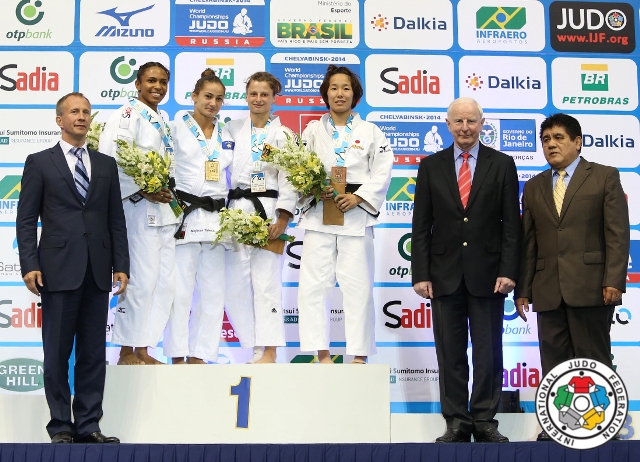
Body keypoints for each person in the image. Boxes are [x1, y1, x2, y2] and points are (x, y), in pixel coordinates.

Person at [16, 92, 129, 444]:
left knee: (94, 354)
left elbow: (116, 220)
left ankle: (89, 425)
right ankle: (60, 426)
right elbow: (25, 220)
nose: (80, 116)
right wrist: (29, 264)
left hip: (98, 271)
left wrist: (121, 265)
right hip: (57, 269)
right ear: (59, 119)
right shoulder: (39, 162)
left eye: (85, 112)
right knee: (57, 354)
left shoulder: (106, 164)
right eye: (73, 112)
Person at [411, 97, 521, 443]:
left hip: (489, 274)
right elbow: (421, 225)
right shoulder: (430, 166)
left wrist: (509, 270)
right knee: (450, 352)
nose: (465, 128)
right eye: (458, 122)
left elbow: (510, 225)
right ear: (448, 125)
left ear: (482, 123)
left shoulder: (502, 164)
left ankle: (485, 420)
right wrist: (421, 273)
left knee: (489, 351)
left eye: (471, 121)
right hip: (442, 275)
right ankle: (457, 421)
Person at [514, 113, 630, 441]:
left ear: (578, 142)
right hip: (547, 288)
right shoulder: (535, 185)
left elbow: (617, 234)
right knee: (554, 363)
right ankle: (558, 427)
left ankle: (600, 426)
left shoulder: (605, 177)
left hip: (592, 287)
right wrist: (523, 289)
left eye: (559, 138)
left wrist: (613, 280)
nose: (551, 144)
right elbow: (529, 243)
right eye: (546, 139)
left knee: (593, 359)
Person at [297, 65, 393, 365]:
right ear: (326, 93)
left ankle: (359, 356)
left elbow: (383, 170)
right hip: (319, 215)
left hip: (355, 216)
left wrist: (359, 196)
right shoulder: (312, 130)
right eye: (334, 88)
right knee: (313, 286)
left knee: (358, 287)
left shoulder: (371, 131)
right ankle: (321, 353)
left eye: (346, 88)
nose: (340, 93)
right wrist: (314, 190)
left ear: (355, 94)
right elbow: (298, 170)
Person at [99, 62, 179, 365]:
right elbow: (110, 161)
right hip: (135, 209)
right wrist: (142, 190)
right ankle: (126, 351)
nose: (157, 87)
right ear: (138, 83)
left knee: (164, 283)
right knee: (141, 281)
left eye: (162, 82)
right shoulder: (125, 115)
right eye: (151, 81)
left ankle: (144, 347)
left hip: (162, 210)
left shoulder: (162, 118)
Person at [163, 69, 235, 364]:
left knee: (214, 293)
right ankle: (178, 354)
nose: (213, 103)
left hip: (217, 218)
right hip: (186, 214)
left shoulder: (226, 133)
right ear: (194, 96)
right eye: (207, 96)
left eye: (219, 98)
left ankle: (201, 355)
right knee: (180, 291)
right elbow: (164, 171)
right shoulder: (173, 128)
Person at [224, 72, 297, 364]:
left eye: (264, 94)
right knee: (235, 283)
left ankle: (270, 349)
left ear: (273, 98)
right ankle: (253, 345)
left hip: (267, 210)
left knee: (266, 282)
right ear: (246, 96)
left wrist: (283, 217)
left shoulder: (284, 135)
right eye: (253, 94)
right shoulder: (230, 129)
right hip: (235, 210)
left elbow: (290, 179)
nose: (258, 99)